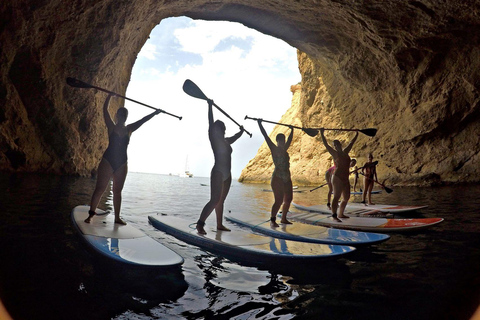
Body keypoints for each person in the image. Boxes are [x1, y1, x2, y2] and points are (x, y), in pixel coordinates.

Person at [85, 93, 162, 224]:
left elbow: (143, 120)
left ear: (126, 117)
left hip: (122, 163)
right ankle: (91, 215)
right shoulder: (111, 126)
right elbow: (105, 110)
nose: (123, 117)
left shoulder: (130, 128)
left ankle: (117, 218)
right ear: (117, 116)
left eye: (125, 115)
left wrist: (155, 113)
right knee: (100, 188)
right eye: (121, 114)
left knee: (117, 191)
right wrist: (109, 96)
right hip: (108, 160)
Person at [196, 99, 244, 235]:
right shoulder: (214, 139)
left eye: (222, 128)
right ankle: (200, 224)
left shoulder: (226, 141)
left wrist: (241, 131)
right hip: (218, 172)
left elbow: (236, 137)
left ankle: (219, 225)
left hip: (228, 174)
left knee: (221, 201)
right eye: (218, 128)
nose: (220, 130)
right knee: (214, 200)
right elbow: (210, 123)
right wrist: (210, 106)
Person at [257, 119, 294, 227]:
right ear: (277, 141)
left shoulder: (285, 149)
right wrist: (260, 124)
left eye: (284, 140)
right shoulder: (274, 149)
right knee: (278, 200)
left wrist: (292, 130)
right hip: (277, 178)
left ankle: (283, 219)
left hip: (287, 178)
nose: (283, 142)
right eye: (281, 141)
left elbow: (290, 140)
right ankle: (273, 220)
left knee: (289, 199)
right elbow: (265, 136)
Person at [320, 129, 359, 222]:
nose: (336, 146)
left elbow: (352, 142)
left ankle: (341, 214)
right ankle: (334, 215)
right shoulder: (334, 153)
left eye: (337, 145)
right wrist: (321, 133)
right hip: (337, 177)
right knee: (337, 196)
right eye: (334, 145)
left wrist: (357, 134)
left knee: (346, 197)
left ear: (340, 145)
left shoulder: (346, 152)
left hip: (345, 177)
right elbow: (325, 144)